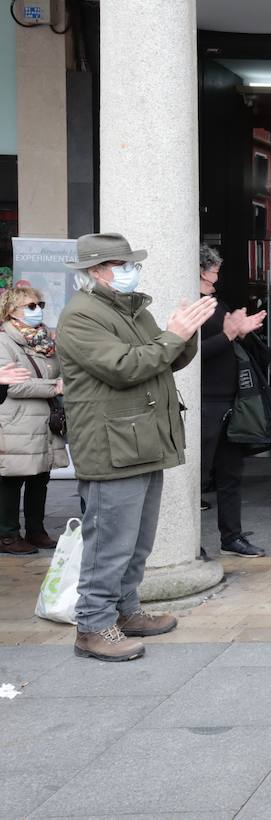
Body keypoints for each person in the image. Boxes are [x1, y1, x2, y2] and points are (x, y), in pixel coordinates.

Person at [58, 232, 216, 661]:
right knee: (109, 543)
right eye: (123, 265)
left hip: (142, 439)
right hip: (112, 446)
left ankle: (125, 612)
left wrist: (186, 332)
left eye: (133, 264)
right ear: (96, 272)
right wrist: (173, 335)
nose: (132, 272)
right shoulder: (81, 316)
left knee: (136, 541)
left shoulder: (131, 309)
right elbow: (126, 367)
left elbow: (167, 358)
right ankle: (92, 626)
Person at [197, 246, 269, 558]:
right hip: (205, 401)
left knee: (230, 474)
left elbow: (228, 336)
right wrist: (228, 334)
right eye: (214, 271)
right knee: (197, 478)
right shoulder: (191, 306)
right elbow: (191, 355)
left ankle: (232, 536)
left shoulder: (215, 302)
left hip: (230, 399)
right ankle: (187, 543)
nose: (217, 277)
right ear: (202, 271)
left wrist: (242, 330)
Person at [0, 286, 68, 554]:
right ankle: (7, 535)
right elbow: (15, 385)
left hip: (44, 420)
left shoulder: (44, 341)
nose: (37, 309)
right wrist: (55, 387)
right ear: (11, 310)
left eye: (39, 304)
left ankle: (36, 531)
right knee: (12, 478)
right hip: (17, 421)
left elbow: (60, 372)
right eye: (30, 306)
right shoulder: (5, 341)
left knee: (41, 476)